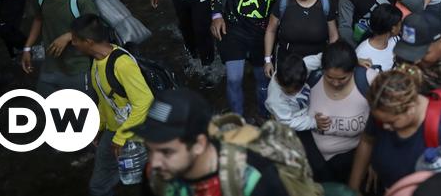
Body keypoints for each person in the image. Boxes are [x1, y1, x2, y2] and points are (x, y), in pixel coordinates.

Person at [348, 65, 441, 194]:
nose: (385, 126)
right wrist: (353, 188)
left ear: (410, 109)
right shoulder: (384, 109)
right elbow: (367, 140)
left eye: (391, 122)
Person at [138, 88, 291, 196]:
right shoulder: (155, 175)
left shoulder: (254, 179)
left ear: (199, 144)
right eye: (149, 149)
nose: (154, 161)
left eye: (167, 152)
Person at [70, 13, 153, 196]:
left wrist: (121, 138)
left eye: (75, 40)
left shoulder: (121, 64)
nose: (73, 43)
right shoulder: (97, 61)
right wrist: (96, 126)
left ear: (89, 41)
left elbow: (144, 101)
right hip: (114, 130)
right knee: (99, 187)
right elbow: (106, 99)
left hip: (132, 132)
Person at [21, 0, 99, 94]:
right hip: (51, 66)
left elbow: (94, 26)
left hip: (79, 67)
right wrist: (27, 48)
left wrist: (69, 35)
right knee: (45, 106)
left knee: (87, 110)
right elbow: (38, 19)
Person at [303, 41, 378, 183]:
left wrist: (376, 160)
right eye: (329, 77)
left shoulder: (368, 81)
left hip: (351, 161)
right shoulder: (309, 78)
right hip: (311, 159)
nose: (335, 83)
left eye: (342, 78)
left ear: (353, 70)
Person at [263, 0, 338, 68]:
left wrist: (330, 60)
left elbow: (333, 35)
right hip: (286, 63)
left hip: (317, 63)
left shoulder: (325, 4)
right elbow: (271, 30)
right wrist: (267, 60)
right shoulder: (284, 2)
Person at [265, 53, 320, 130]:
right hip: (293, 121)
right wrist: (314, 122)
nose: (296, 92)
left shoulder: (300, 68)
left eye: (298, 88)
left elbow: (321, 58)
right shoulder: (276, 99)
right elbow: (288, 123)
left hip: (305, 109)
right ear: (280, 83)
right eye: (291, 91)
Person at [356, 4, 401, 71]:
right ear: (393, 29)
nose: (401, 27)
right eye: (400, 24)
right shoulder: (362, 54)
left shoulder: (396, 40)